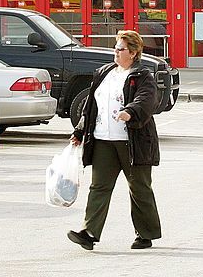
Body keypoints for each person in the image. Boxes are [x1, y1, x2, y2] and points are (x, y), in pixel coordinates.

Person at [67, 30, 161, 251]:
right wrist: (80, 130)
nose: (116, 53)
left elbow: (147, 99)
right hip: (103, 140)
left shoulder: (142, 75)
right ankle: (89, 233)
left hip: (132, 141)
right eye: (115, 48)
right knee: (99, 186)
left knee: (139, 188)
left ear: (134, 52)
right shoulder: (105, 72)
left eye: (121, 49)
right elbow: (92, 106)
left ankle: (145, 234)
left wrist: (131, 111)